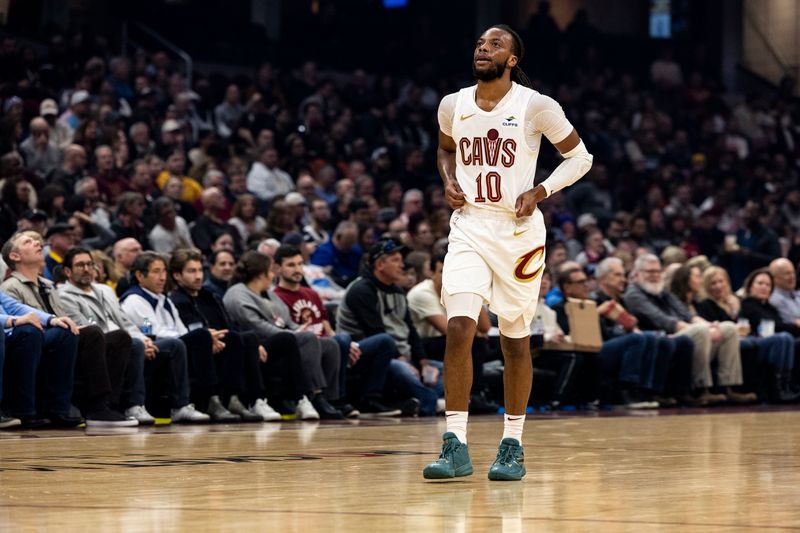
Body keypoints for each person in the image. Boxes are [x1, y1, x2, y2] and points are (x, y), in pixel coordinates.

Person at [422, 25, 593, 481]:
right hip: (470, 225)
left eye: (495, 44)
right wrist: (448, 180)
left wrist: (541, 190)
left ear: (513, 59)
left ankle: (512, 445)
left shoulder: (536, 105)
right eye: (480, 42)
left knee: (514, 341)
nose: (484, 48)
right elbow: (444, 151)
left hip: (518, 234)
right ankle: (454, 444)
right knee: (459, 326)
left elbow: (581, 158)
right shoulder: (451, 104)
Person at [1, 231, 137, 427]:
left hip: (53, 333)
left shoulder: (48, 284)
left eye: (37, 240)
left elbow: (59, 315)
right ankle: (93, 406)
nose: (38, 243)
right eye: (28, 242)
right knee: (88, 333)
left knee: (120, 338)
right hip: (31, 336)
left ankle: (107, 404)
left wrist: (57, 320)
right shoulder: (10, 286)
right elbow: (18, 314)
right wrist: (51, 322)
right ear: (15, 256)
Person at [58, 247, 202, 424]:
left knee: (174, 345)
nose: (87, 269)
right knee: (132, 343)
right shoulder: (63, 296)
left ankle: (181, 406)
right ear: (67, 271)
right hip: (99, 346)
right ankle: (134, 405)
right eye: (80, 265)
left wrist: (145, 339)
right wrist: (136, 341)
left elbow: (125, 321)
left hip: (127, 339)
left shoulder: (105, 290)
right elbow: (88, 331)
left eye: (89, 264)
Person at [168, 248, 274, 421]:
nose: (198, 276)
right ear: (177, 275)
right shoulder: (175, 300)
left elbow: (229, 325)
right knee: (204, 336)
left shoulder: (210, 296)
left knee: (246, 337)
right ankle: (212, 399)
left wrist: (252, 344)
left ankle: (243, 399)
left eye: (200, 270)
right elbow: (184, 332)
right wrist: (211, 338)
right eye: (191, 271)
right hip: (195, 348)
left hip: (221, 345)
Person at [696, 266, 799, 403]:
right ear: (750, 286)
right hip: (730, 341)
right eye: (713, 283)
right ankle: (777, 389)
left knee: (787, 339)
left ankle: (785, 386)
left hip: (747, 338)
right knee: (782, 337)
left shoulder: (735, 303)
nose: (719, 286)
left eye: (767, 285)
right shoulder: (744, 304)